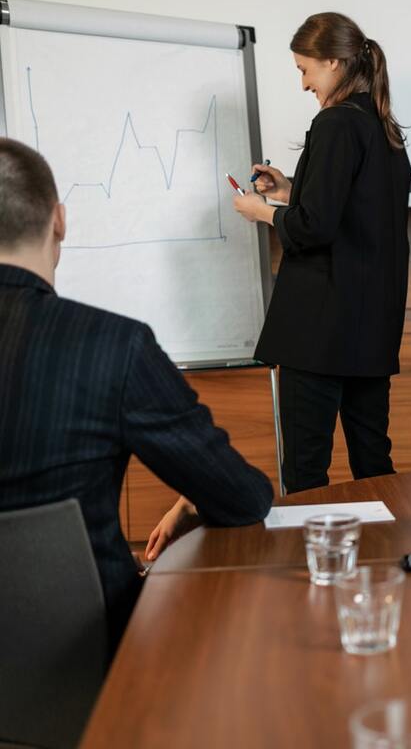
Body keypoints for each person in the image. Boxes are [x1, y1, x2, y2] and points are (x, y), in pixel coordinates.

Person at [0, 138, 274, 651]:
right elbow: (243, 499)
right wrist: (195, 497)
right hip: (89, 663)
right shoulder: (111, 346)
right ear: (59, 221)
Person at [230, 12, 411, 492]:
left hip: (319, 332)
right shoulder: (384, 129)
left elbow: (314, 227)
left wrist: (261, 212)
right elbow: (355, 214)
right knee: (374, 463)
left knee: (306, 471)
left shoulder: (335, 123)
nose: (304, 84)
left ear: (334, 61)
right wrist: (291, 190)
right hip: (370, 330)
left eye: (304, 70)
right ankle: (387, 557)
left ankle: (312, 566)